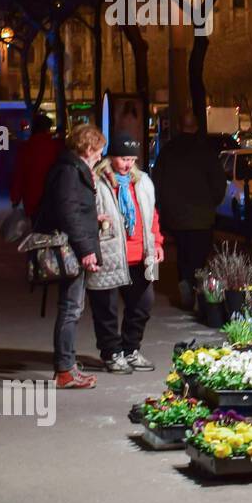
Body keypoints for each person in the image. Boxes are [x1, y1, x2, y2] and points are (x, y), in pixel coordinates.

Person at [35, 124, 105, 389]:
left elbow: (72, 209)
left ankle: (68, 367)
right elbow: (68, 213)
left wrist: (94, 217)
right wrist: (86, 250)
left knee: (72, 309)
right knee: (70, 309)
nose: (100, 155)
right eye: (98, 150)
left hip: (76, 245)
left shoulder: (70, 168)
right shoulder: (69, 171)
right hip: (74, 250)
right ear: (87, 148)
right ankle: (65, 370)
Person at [88, 136, 163, 374]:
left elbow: (152, 215)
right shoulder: (97, 183)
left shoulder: (143, 182)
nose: (128, 164)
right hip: (109, 254)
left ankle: (130, 349)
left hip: (141, 254)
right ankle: (111, 353)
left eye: (132, 159)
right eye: (123, 158)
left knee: (143, 305)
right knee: (106, 309)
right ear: (111, 157)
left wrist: (158, 242)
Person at [152, 112, 226, 309]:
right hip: (202, 216)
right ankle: (197, 293)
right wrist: (211, 203)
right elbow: (219, 183)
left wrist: (164, 207)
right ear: (197, 126)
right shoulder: (206, 151)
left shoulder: (168, 151)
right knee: (199, 257)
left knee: (183, 255)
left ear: (179, 125)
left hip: (176, 217)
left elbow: (157, 183)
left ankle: (185, 285)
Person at [11, 113, 63, 218]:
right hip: (53, 196)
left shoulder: (25, 148)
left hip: (31, 196)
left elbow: (19, 174)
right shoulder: (57, 146)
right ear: (48, 128)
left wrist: (15, 197)